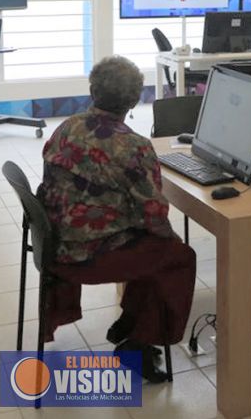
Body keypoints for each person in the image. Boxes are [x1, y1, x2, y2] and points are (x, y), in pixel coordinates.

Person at [36, 56, 196, 382]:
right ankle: (137, 343)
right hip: (87, 256)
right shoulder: (134, 147)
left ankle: (133, 318)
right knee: (177, 256)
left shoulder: (67, 127)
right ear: (135, 100)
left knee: (152, 245)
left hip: (54, 242)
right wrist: (171, 239)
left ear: (93, 90)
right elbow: (154, 213)